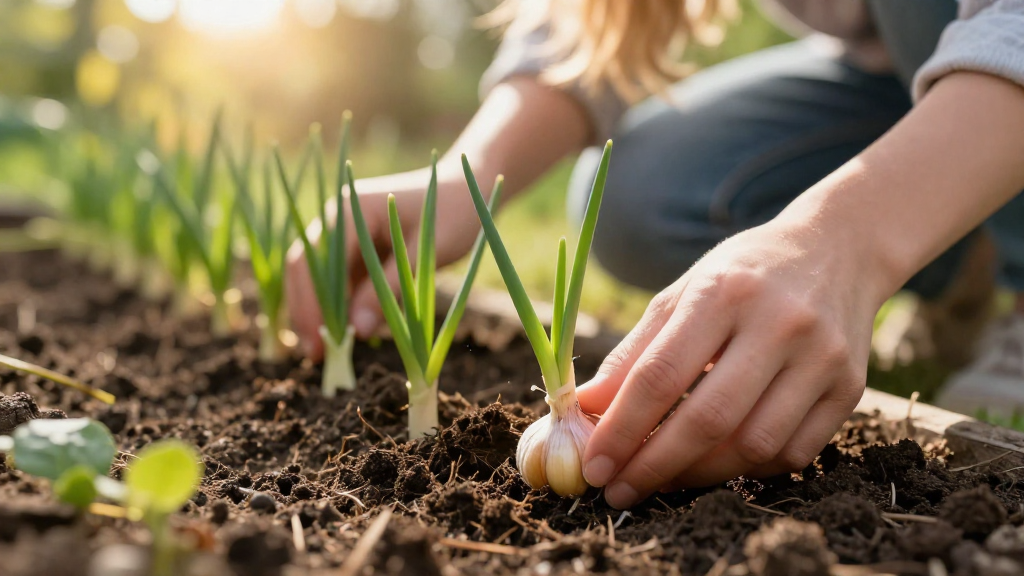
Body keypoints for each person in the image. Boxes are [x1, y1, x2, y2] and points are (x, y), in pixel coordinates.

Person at [287, 0, 1024, 509]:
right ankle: (972, 250)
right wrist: (469, 173)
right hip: (903, 73)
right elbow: (606, 19)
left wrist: (850, 243)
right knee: (639, 196)